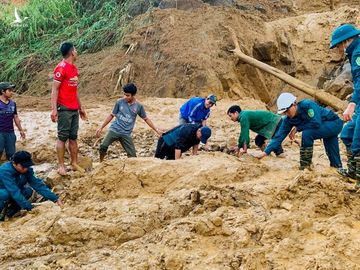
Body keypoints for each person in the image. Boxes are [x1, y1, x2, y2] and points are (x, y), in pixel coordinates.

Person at [253, 93, 343, 170]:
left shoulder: (307, 105)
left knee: (307, 134)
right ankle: (338, 169)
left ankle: (305, 165)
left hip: (333, 123)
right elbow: (278, 137)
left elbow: (316, 123)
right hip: (325, 128)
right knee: (333, 154)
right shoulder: (288, 120)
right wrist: (265, 152)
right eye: (284, 112)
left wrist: (297, 128)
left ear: (294, 104)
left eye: (287, 111)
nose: (287, 114)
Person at [96, 83, 162, 161]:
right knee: (103, 146)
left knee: (133, 156)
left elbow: (146, 119)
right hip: (114, 129)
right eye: (124, 94)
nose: (125, 97)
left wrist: (156, 129)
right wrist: (101, 127)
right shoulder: (119, 102)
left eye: (127, 95)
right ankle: (101, 162)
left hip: (126, 133)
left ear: (133, 95)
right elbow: (111, 115)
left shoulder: (139, 106)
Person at [330, 24, 360, 187]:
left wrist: (352, 104)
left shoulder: (358, 53)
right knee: (347, 134)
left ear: (347, 41)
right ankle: (353, 173)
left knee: (358, 141)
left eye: (339, 45)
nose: (338, 50)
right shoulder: (355, 52)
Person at [50, 42, 87, 176]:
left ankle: (74, 162)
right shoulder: (61, 68)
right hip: (64, 108)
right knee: (62, 137)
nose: (77, 52)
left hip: (74, 108)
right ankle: (61, 165)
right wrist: (54, 110)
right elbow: (54, 89)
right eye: (76, 50)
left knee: (73, 137)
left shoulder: (74, 69)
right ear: (72, 52)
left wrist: (81, 107)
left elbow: (74, 90)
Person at [0, 151, 62, 221]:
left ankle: (10, 213)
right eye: (23, 166)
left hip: (13, 192)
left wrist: (54, 198)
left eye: (27, 166)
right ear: (14, 163)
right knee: (4, 194)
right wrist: (30, 207)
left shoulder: (27, 170)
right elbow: (14, 192)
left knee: (28, 191)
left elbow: (38, 184)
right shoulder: (5, 171)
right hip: (3, 192)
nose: (26, 169)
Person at [0, 82, 25, 161]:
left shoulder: (13, 104)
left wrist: (21, 130)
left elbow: (15, 117)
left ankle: (10, 171)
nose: (12, 92)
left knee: (11, 154)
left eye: (12, 90)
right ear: (2, 91)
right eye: (9, 90)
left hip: (10, 132)